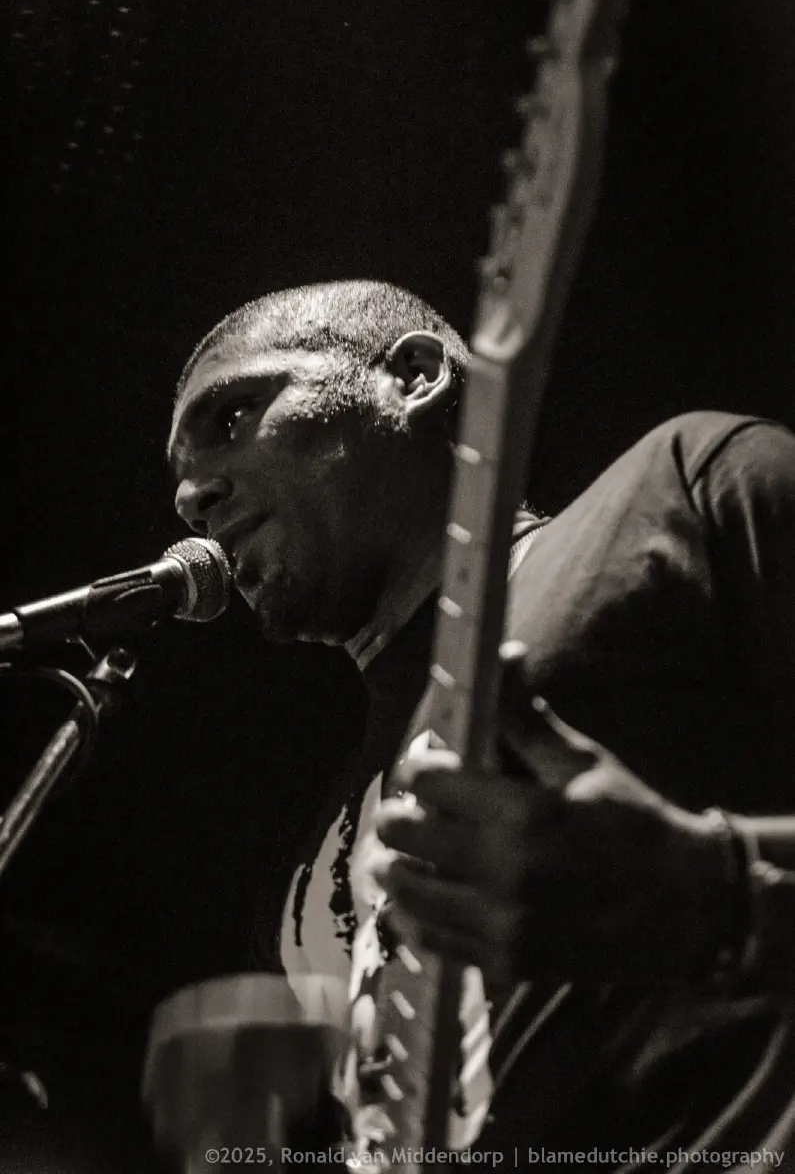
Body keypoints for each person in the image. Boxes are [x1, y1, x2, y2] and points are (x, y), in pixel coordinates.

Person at [168, 280, 795, 1171]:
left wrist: (722, 892)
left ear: (414, 376)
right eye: (180, 475)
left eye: (232, 417)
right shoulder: (307, 875)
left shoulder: (686, 485)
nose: (191, 496)